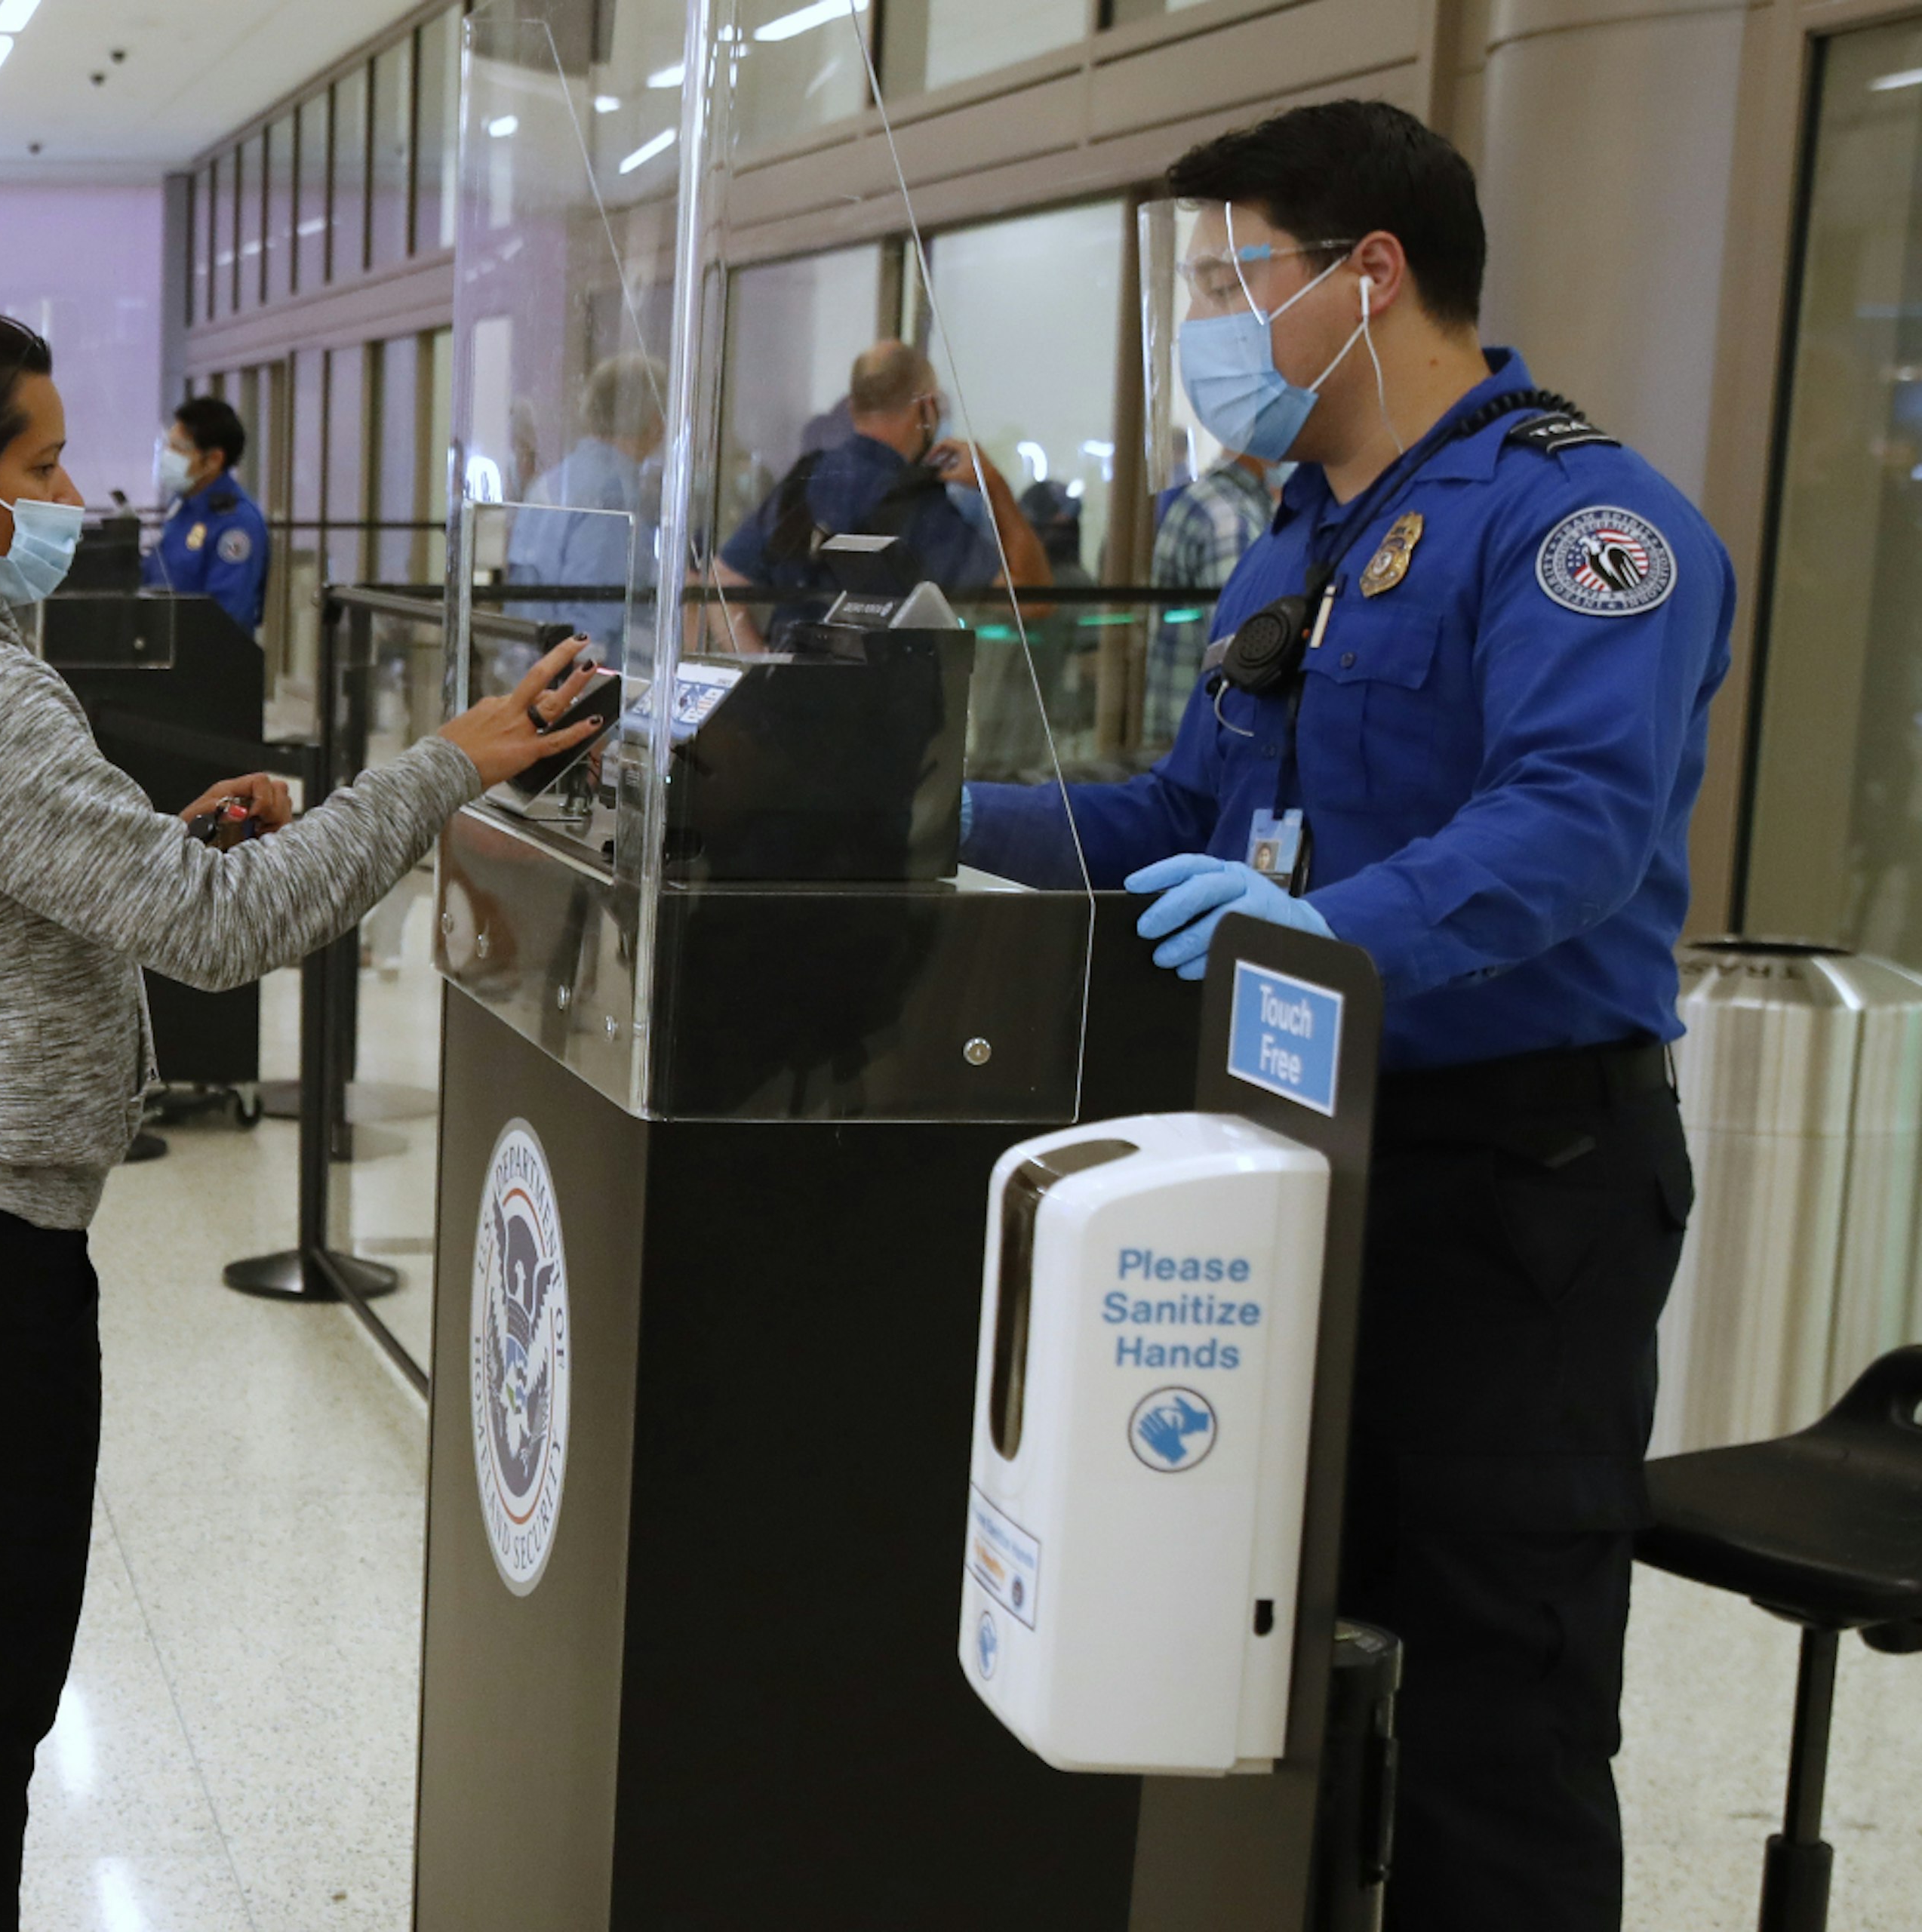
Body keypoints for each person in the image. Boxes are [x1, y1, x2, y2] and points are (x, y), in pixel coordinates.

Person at [0, 303, 599, 1932]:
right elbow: (217, 934)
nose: (77, 490)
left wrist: (169, 836)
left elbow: (11, 877)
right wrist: (440, 769)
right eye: (43, 463)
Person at [963, 100, 1730, 1932]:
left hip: (1509, 1187)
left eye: (1229, 279)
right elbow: (1176, 816)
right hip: (1295, 1165)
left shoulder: (1583, 527)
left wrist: (1316, 925)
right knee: (1276, 1649)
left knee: (1493, 1695)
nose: (1205, 328)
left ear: (1368, 278)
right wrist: (897, 808)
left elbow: (1566, 823)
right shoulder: (1296, 542)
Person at [712, 340, 1051, 647]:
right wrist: (994, 485)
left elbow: (721, 580)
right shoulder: (918, 503)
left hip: (791, 701)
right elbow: (1032, 600)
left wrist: (761, 669)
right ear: (926, 408)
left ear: (854, 406)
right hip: (883, 706)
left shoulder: (807, 478)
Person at [505, 354, 666, 657]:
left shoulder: (554, 481)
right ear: (656, 423)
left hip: (531, 669)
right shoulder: (612, 494)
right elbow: (591, 625)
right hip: (576, 686)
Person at [1142, 451, 1279, 744]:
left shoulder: (1204, 498)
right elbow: (1243, 659)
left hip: (1175, 729)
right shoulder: (1232, 521)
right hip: (1205, 742)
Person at [149, 395, 268, 630]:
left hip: (204, 656)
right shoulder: (184, 504)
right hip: (162, 641)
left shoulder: (237, 523)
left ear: (213, 460)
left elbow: (225, 615)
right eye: (168, 444)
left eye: (180, 448)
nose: (168, 455)